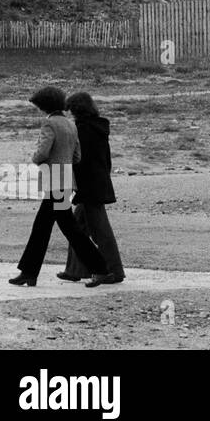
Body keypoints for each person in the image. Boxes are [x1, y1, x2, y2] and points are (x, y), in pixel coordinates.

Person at [11, 86, 115, 288]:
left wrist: (34, 159)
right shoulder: (70, 124)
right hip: (66, 180)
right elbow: (77, 157)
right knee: (50, 228)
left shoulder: (49, 124)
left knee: (63, 230)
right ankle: (28, 273)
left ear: (43, 105)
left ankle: (100, 269)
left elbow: (41, 154)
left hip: (54, 181)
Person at [57, 92, 125, 284]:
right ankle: (75, 270)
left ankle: (113, 271)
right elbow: (105, 159)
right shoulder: (98, 127)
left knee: (100, 231)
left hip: (89, 188)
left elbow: (79, 161)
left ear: (76, 110)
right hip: (97, 184)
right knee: (78, 228)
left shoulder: (83, 130)